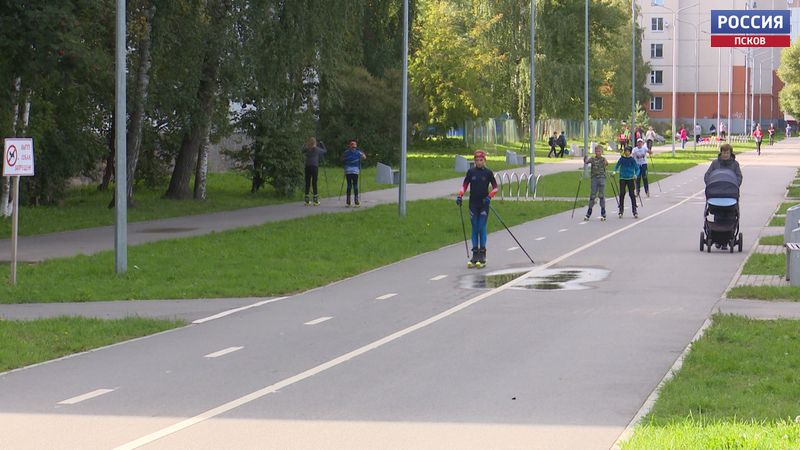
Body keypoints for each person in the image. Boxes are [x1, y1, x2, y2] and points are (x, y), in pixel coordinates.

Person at [456, 150, 498, 268]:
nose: (479, 162)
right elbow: (464, 186)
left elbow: (495, 188)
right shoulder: (471, 172)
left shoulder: (488, 173)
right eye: (477, 160)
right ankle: (475, 254)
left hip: (484, 203)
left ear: (485, 161)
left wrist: (489, 196)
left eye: (481, 160)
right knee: (474, 227)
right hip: (473, 204)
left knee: (481, 226)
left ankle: (482, 253)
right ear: (474, 161)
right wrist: (460, 195)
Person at [704, 143, 743, 240]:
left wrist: (735, 184)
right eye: (724, 152)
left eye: (727, 153)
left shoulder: (735, 164)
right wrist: (710, 183)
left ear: (730, 153)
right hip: (716, 194)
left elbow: (739, 176)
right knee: (717, 213)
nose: (725, 154)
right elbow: (708, 175)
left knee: (731, 214)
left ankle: (728, 235)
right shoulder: (715, 164)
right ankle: (716, 236)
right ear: (721, 153)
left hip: (730, 194)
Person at [582, 144, 609, 222]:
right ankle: (588, 213)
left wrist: (605, 162)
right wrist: (585, 159)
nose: (598, 153)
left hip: (601, 178)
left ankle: (603, 213)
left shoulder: (603, 159)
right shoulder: (593, 159)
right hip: (594, 179)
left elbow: (607, 164)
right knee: (592, 195)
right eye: (596, 151)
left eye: (599, 151)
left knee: (601, 196)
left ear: (602, 152)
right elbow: (586, 162)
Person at [614, 146, 640, 219]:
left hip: (630, 178)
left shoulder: (632, 160)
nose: (627, 152)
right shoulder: (622, 159)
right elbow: (617, 166)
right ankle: (621, 210)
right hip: (622, 178)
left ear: (630, 152)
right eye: (626, 151)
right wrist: (614, 171)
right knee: (622, 193)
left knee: (632, 194)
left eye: (628, 151)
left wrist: (636, 175)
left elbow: (637, 169)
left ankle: (634, 211)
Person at [302, 137, 326, 206]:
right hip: (314, 166)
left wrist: (305, 144)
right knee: (314, 182)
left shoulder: (307, 149)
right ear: (315, 143)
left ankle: (306, 201)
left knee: (307, 182)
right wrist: (322, 144)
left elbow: (302, 150)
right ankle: (315, 201)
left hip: (307, 166)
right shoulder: (317, 149)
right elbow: (325, 151)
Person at [342, 140, 366, 207]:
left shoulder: (346, 152)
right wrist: (361, 155)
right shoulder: (358, 152)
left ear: (349, 146)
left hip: (348, 171)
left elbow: (342, 159)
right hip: (355, 171)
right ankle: (356, 202)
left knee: (349, 185)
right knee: (355, 185)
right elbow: (364, 157)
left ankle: (348, 202)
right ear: (355, 146)